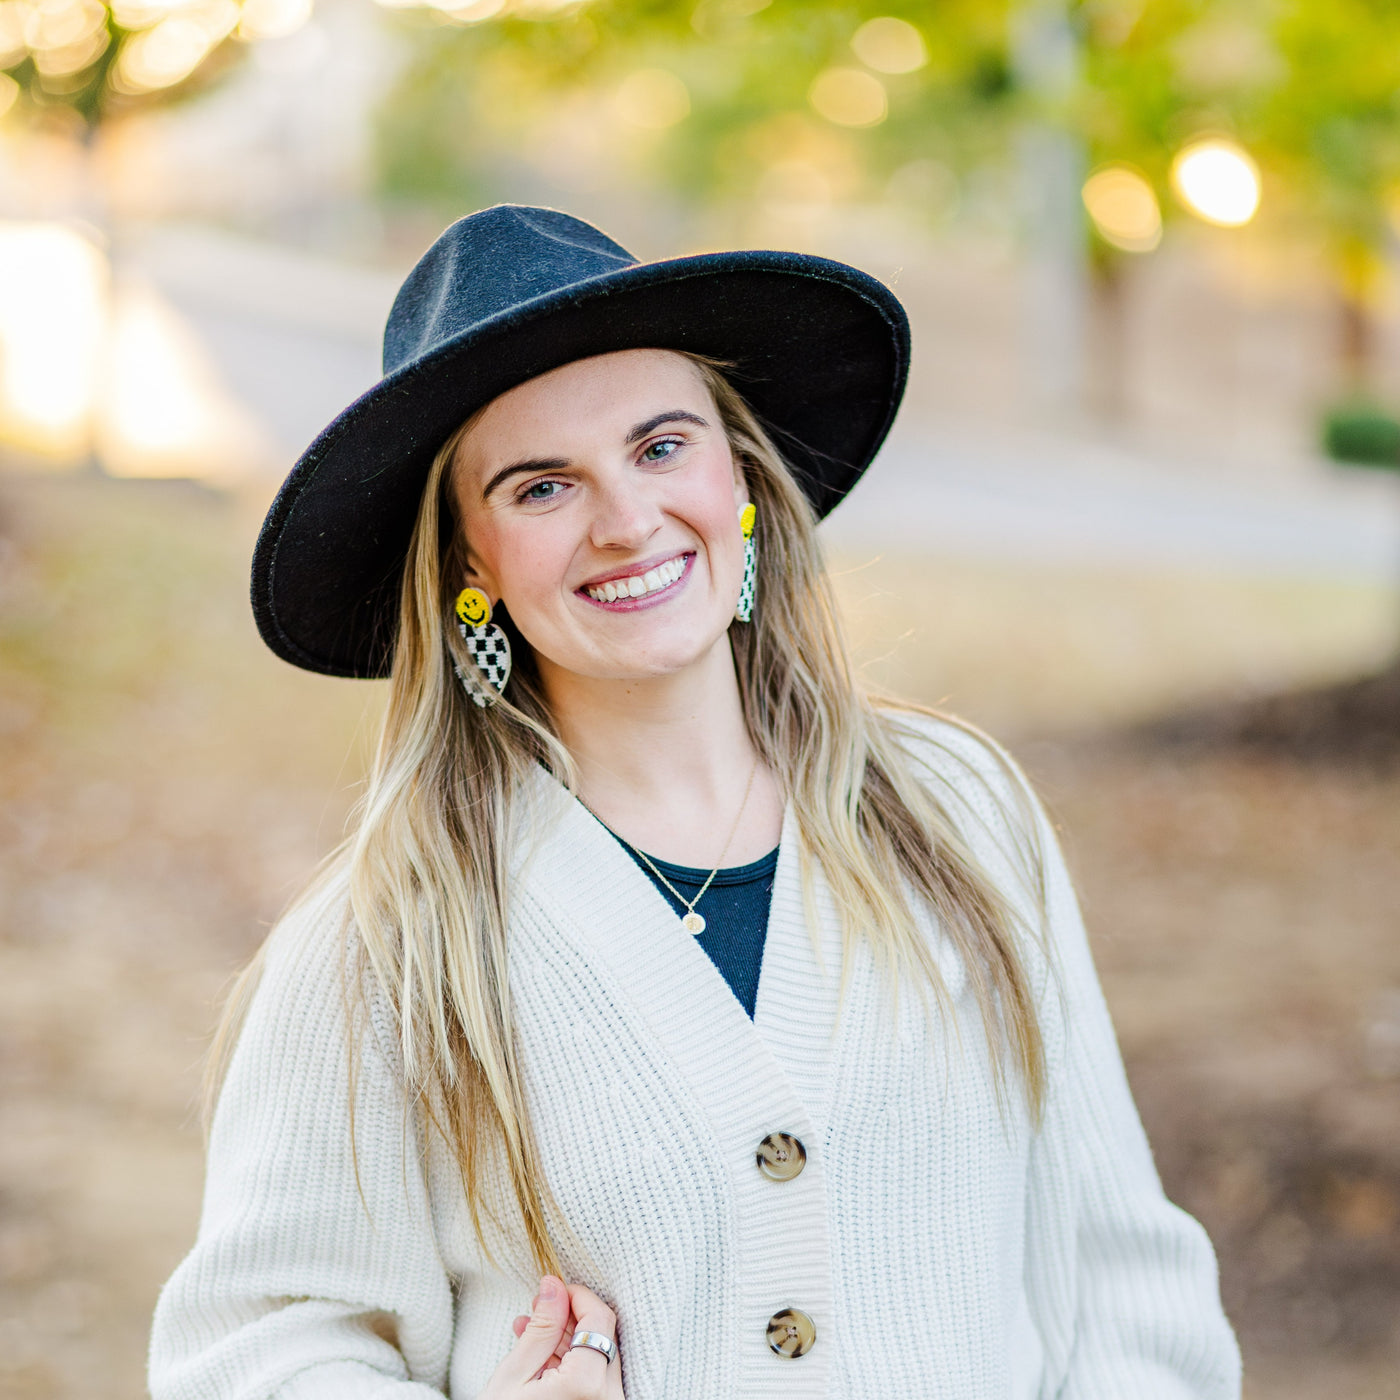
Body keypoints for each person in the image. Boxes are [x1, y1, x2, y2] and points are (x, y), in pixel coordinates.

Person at [149, 205, 1241, 1399]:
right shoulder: (391, 938)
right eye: (540, 486)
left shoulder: (958, 813)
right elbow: (256, 1351)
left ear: (739, 477)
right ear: (470, 563)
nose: (626, 521)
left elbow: (1121, 1280)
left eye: (661, 446)